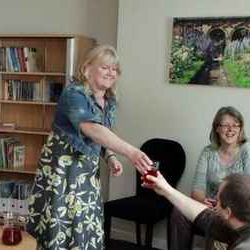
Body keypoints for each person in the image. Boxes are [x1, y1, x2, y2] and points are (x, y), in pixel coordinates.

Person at [26, 45, 154, 250]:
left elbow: (103, 134)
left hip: (86, 172)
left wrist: (110, 157)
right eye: (105, 67)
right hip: (62, 173)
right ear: (87, 68)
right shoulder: (73, 94)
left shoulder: (109, 100)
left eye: (115, 69)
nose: (111, 72)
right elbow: (91, 128)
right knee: (60, 225)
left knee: (86, 226)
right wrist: (130, 151)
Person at [169, 106, 250, 249]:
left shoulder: (249, 151)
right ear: (217, 128)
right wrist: (203, 201)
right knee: (179, 211)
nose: (231, 129)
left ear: (241, 129)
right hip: (212, 207)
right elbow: (197, 190)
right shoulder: (208, 152)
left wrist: (224, 208)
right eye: (225, 125)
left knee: (216, 222)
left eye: (235, 125)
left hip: (236, 212)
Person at [145, 173, 250, 250]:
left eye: (217, 201)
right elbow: (205, 216)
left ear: (228, 212)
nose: (213, 205)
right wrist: (166, 190)